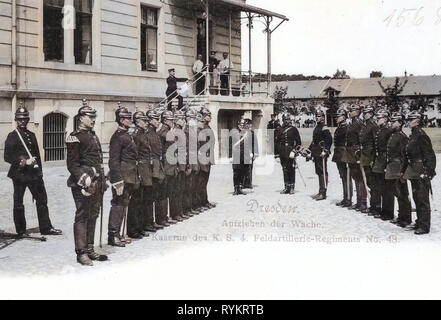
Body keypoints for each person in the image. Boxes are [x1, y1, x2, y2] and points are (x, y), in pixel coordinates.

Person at [4, 103, 62, 238]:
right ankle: (21, 230)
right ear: (16, 120)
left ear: (28, 120)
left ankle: (46, 227)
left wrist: (39, 172)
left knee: (42, 199)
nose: (22, 121)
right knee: (18, 202)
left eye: (25, 119)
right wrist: (23, 161)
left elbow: (37, 156)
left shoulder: (32, 135)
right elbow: (7, 156)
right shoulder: (12, 136)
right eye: (20, 119)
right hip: (19, 174)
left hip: (34, 175)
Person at [66, 100, 107, 266]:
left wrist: (102, 179)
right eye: (90, 117)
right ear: (81, 118)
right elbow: (72, 165)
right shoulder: (74, 137)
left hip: (96, 182)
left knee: (93, 214)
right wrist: (85, 179)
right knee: (82, 215)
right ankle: (81, 252)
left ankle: (90, 248)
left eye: (94, 117)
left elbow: (97, 160)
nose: (93, 120)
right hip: (82, 184)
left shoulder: (93, 135)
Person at [107, 104, 139, 247]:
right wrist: (117, 180)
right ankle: (113, 236)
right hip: (122, 177)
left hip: (130, 175)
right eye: (126, 118)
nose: (130, 120)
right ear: (120, 120)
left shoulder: (127, 135)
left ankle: (120, 233)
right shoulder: (118, 137)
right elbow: (113, 161)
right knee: (118, 205)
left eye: (129, 118)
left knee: (123, 204)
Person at [403, 111, 437, 234]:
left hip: (421, 171)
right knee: (417, 197)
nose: (408, 121)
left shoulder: (421, 135)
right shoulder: (413, 135)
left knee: (422, 199)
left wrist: (428, 172)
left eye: (411, 120)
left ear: (417, 121)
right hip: (413, 171)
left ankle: (424, 226)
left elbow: (430, 155)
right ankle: (419, 222)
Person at [127, 111, 153, 239]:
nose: (146, 122)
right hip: (139, 170)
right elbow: (134, 154)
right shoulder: (136, 134)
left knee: (143, 200)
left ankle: (141, 226)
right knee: (136, 201)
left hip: (145, 169)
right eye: (143, 120)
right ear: (137, 121)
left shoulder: (143, 133)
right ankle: (133, 229)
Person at [384, 112, 411, 225]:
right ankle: (401, 216)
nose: (391, 123)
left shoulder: (402, 137)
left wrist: (402, 171)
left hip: (399, 167)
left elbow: (404, 156)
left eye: (394, 122)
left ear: (400, 123)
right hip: (392, 166)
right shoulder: (393, 135)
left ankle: (406, 218)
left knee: (403, 193)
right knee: (396, 192)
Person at [146, 109, 168, 230]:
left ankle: (159, 219)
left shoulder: (155, 132)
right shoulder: (148, 133)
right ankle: (151, 221)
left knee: (159, 193)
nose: (157, 121)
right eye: (155, 119)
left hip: (158, 165)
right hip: (152, 167)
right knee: (152, 196)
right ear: (150, 120)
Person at [342, 105, 367, 212]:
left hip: (356, 152)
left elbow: (362, 139)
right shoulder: (352, 123)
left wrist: (359, 153)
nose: (350, 112)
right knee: (355, 177)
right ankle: (358, 201)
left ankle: (363, 202)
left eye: (351, 111)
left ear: (357, 112)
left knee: (360, 178)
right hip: (351, 152)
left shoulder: (359, 123)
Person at [157, 110, 181, 223]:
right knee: (164, 193)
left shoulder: (169, 131)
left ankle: (171, 214)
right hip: (166, 166)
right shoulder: (163, 132)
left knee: (172, 191)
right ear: (165, 121)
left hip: (171, 165)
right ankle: (162, 217)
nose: (173, 122)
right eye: (171, 120)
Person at [371, 109, 394, 219]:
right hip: (378, 160)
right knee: (378, 186)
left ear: (385, 119)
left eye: (379, 118)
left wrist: (386, 163)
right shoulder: (379, 130)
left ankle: (388, 212)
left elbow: (389, 149)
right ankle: (380, 209)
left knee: (387, 189)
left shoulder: (388, 131)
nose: (376, 120)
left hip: (384, 160)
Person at [275, 113, 301, 194]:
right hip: (282, 151)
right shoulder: (279, 129)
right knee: (285, 169)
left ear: (290, 120)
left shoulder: (293, 129)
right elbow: (277, 142)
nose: (287, 121)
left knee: (291, 169)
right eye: (285, 119)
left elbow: (298, 142)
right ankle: (286, 187)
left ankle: (292, 187)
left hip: (290, 151)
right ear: (283, 120)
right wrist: (276, 154)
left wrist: (294, 151)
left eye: (288, 119)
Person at [309, 110, 333, 200]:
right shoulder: (317, 127)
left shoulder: (324, 127)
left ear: (323, 117)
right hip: (316, 152)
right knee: (319, 172)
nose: (317, 118)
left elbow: (329, 140)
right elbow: (314, 140)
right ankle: (320, 191)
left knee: (322, 172)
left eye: (319, 116)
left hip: (322, 152)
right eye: (316, 116)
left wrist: (326, 150)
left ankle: (323, 192)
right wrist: (309, 150)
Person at [359, 106, 378, 213]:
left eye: (367, 113)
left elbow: (376, 143)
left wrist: (373, 158)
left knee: (372, 182)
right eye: (364, 113)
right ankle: (370, 204)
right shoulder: (364, 126)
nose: (365, 114)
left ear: (371, 114)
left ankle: (374, 206)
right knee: (366, 180)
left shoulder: (373, 126)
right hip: (364, 155)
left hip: (370, 156)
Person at [332, 108, 352, 207]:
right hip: (339, 154)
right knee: (343, 176)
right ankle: (345, 198)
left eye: (338, 116)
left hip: (344, 153)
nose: (336, 118)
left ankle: (348, 199)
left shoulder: (347, 128)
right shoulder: (339, 128)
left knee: (347, 177)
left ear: (344, 117)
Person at [231, 118, 256, 195]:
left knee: (243, 171)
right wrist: (229, 156)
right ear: (237, 125)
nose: (241, 126)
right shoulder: (233, 132)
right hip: (236, 155)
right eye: (240, 124)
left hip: (245, 155)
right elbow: (229, 145)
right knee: (236, 172)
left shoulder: (247, 133)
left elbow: (251, 143)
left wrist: (252, 153)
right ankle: (236, 188)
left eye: (243, 124)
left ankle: (240, 188)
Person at [198, 107, 216, 209]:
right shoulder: (202, 128)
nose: (210, 117)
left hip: (208, 157)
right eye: (208, 115)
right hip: (203, 157)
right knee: (201, 181)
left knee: (205, 181)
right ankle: (201, 203)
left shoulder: (207, 127)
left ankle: (204, 201)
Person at [242, 118, 258, 189]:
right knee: (242, 168)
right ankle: (242, 183)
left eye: (248, 124)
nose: (247, 126)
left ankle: (248, 183)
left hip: (250, 153)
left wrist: (255, 154)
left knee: (249, 168)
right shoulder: (241, 133)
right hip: (242, 153)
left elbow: (255, 144)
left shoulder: (252, 133)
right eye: (246, 124)